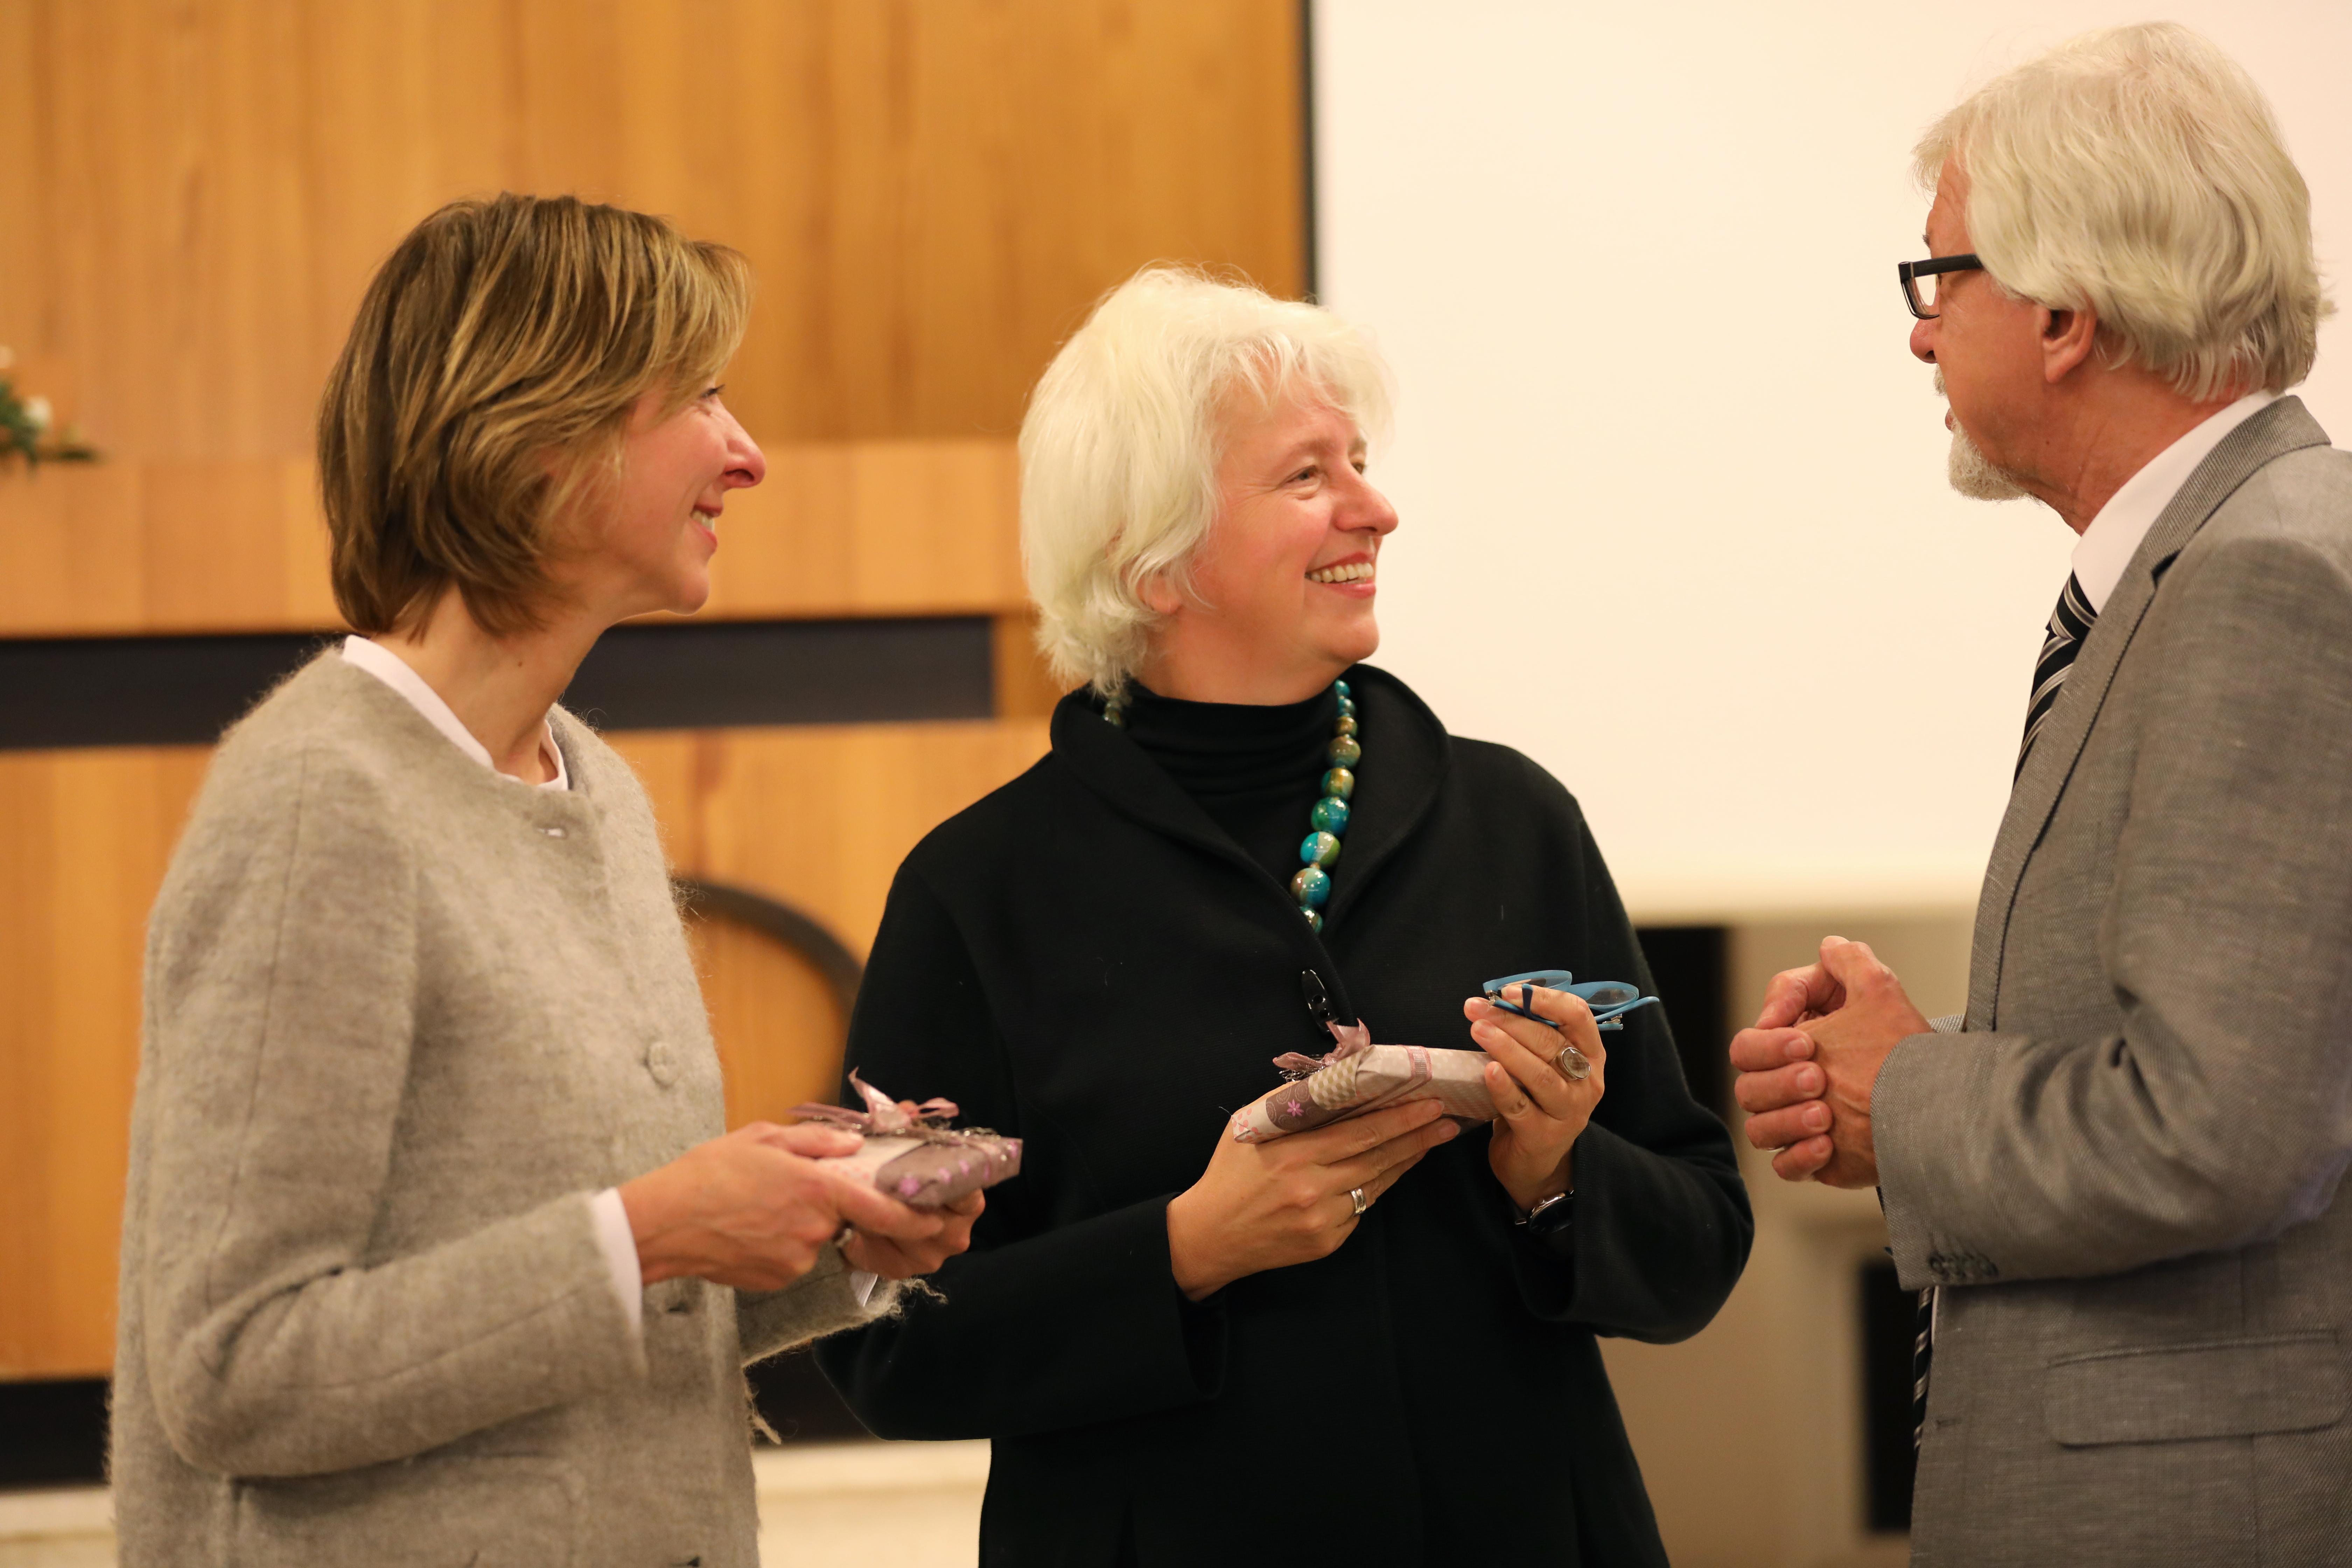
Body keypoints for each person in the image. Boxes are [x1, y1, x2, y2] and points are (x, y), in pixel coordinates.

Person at [814, 266, 1751, 1565]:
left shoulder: (1513, 817)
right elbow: (884, 1338)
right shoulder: (979, 889)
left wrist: (1557, 1175)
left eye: (1361, 462)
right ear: (1151, 560)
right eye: (1309, 476)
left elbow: (1701, 1243)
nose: (1378, 508)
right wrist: (1182, 1253)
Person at [111, 194, 977, 1568]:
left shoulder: (594, 786)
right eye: (701, 397)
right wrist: (650, 1233)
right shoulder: (319, 804)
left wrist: (836, 1240)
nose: (748, 454)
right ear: (538, 437)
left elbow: (585, 1296)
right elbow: (235, 1368)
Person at [1728, 24, 2351, 1564]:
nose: (1921, 337)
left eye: (1939, 280)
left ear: (2065, 314)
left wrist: (1907, 1097)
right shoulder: (2235, 547)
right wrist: (1913, 1079)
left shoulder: (2261, 576)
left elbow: (2221, 1132)